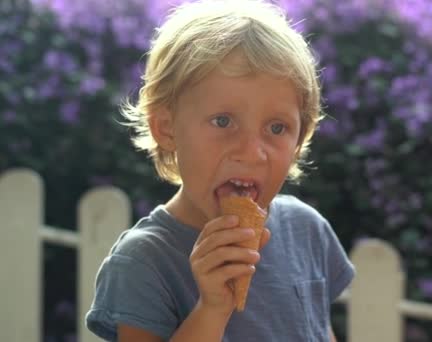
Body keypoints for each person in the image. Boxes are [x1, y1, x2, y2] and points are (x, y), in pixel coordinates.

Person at [84, 0, 355, 341]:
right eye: (223, 121)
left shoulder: (307, 230)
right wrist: (211, 310)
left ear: (299, 140)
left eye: (276, 128)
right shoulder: (144, 262)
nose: (251, 152)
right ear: (167, 128)